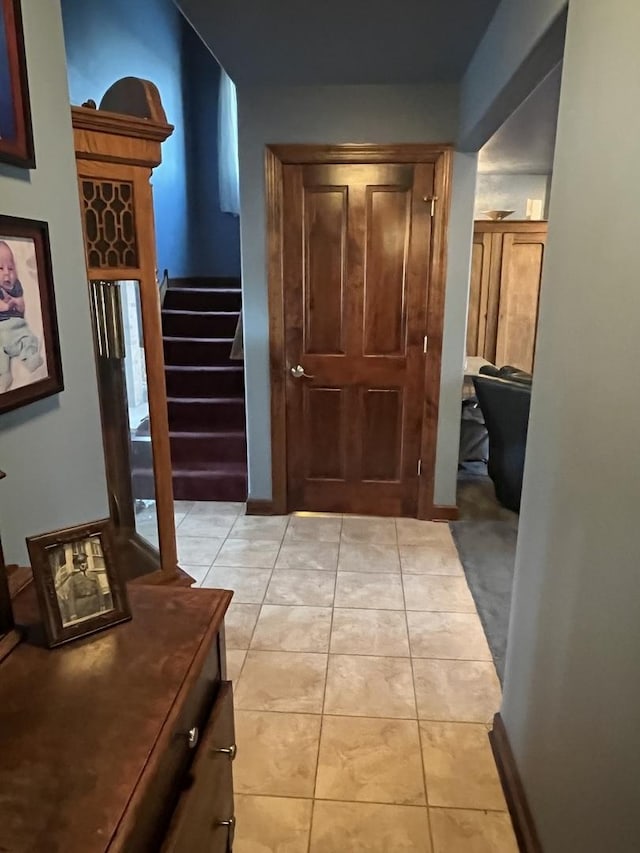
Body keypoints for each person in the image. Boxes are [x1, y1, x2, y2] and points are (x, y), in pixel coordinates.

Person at [0, 240, 43, 392]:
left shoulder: (16, 285)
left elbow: (22, 304)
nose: (7, 273)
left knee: (27, 338)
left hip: (16, 326)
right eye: (0, 268)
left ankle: (31, 358)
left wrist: (16, 303)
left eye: (11, 268)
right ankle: (3, 375)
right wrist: (6, 305)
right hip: (1, 329)